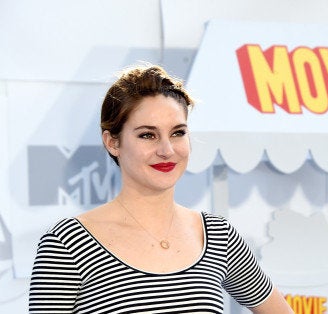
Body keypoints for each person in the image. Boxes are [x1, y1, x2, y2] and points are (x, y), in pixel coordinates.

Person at [28, 64, 294, 314]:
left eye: (177, 133)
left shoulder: (217, 236)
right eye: (147, 135)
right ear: (113, 142)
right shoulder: (67, 243)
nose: (167, 150)